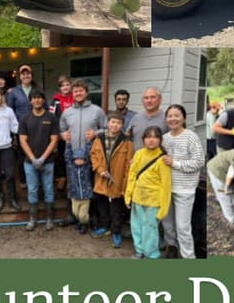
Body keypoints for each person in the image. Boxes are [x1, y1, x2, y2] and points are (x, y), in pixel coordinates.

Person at [59, 80, 107, 232]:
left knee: (90, 185)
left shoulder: (97, 111)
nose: (78, 93)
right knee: (72, 184)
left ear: (86, 92)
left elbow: (106, 128)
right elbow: (62, 130)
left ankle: (90, 216)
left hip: (92, 156)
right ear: (72, 94)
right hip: (72, 156)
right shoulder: (67, 113)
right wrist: (63, 135)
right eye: (75, 91)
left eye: (81, 91)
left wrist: (96, 133)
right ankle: (74, 214)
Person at [160, 104, 205, 259]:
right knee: (167, 224)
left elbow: (199, 162)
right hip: (166, 189)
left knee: (183, 227)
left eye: (176, 115)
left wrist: (174, 163)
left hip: (184, 189)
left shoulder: (191, 136)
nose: (173, 119)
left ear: (183, 118)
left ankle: (188, 256)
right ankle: (172, 247)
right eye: (170, 116)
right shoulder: (164, 138)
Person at [125, 126, 171, 260]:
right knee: (136, 227)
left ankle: (151, 255)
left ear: (160, 140)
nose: (152, 140)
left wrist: (164, 208)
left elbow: (166, 184)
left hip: (153, 201)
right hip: (137, 198)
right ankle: (139, 250)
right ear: (143, 139)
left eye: (155, 137)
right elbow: (132, 176)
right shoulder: (138, 154)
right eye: (148, 137)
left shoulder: (163, 159)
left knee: (150, 230)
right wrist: (128, 196)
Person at [90, 111, 134, 247]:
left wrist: (125, 183)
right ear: (108, 123)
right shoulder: (99, 139)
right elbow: (93, 156)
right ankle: (104, 226)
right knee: (102, 204)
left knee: (116, 208)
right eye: (113, 122)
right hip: (102, 179)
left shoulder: (127, 142)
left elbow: (128, 164)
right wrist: (99, 169)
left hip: (117, 180)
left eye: (118, 123)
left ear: (122, 125)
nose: (115, 125)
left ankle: (116, 232)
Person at [19, 90, 59, 232]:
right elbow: (22, 141)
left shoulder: (51, 118)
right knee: (32, 190)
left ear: (43, 100)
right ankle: (33, 218)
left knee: (48, 189)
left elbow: (54, 140)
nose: (37, 100)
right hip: (29, 163)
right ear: (30, 101)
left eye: (39, 98)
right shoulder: (25, 118)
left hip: (48, 162)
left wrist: (42, 158)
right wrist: (33, 159)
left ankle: (49, 218)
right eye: (34, 98)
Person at [128, 86, 167, 151]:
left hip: (158, 160)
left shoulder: (167, 119)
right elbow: (127, 138)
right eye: (146, 98)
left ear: (160, 100)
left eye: (152, 97)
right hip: (136, 159)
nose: (149, 100)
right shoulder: (136, 118)